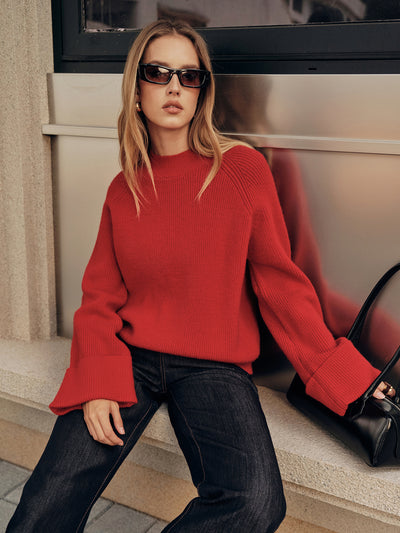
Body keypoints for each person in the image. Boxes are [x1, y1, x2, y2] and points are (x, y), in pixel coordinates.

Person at [7, 18, 395, 533]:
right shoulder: (125, 188)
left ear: (201, 93)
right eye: (158, 73)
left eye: (189, 76)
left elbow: (280, 286)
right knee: (47, 500)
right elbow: (99, 296)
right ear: (136, 91)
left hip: (213, 367)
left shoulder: (241, 170)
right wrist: (97, 380)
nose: (174, 86)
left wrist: (347, 377)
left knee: (255, 503)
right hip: (130, 357)